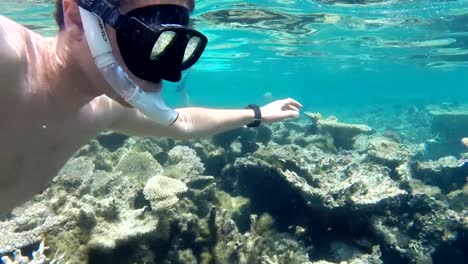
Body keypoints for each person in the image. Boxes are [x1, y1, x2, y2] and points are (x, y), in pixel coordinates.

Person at [0, 0, 302, 215]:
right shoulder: (11, 60)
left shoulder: (102, 108)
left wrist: (259, 113)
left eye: (175, 44)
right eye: (146, 36)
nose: (166, 72)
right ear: (77, 18)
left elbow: (183, 124)